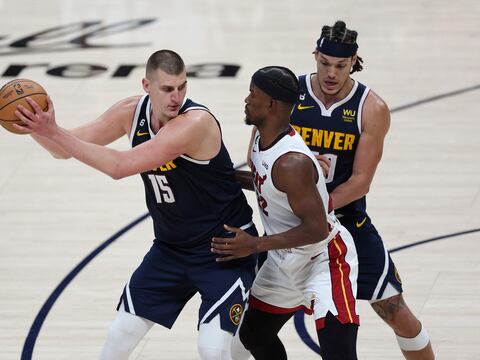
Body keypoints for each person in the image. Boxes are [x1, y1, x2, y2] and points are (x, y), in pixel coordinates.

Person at [14, 49, 258, 360]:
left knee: (212, 350)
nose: (176, 97)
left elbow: (120, 166)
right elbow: (65, 148)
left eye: (182, 87)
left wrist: (52, 132)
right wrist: (37, 128)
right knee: (119, 336)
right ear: (146, 85)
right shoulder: (130, 111)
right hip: (171, 249)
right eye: (167, 89)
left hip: (223, 248)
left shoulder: (195, 122)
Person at [289, 21, 434, 359]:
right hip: (290, 225)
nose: (330, 72)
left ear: (353, 61)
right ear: (315, 56)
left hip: (346, 222)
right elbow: (258, 153)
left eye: (340, 65)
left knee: (395, 310)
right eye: (324, 62)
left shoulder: (372, 108)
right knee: (256, 315)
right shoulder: (290, 94)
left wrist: (318, 211)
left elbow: (361, 181)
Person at [211, 66, 359, 360]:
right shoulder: (260, 136)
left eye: (253, 94)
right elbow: (264, 182)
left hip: (324, 258)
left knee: (338, 353)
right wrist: (220, 176)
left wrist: (254, 245)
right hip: (284, 259)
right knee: (254, 335)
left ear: (272, 104)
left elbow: (316, 228)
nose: (246, 99)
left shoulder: (291, 163)